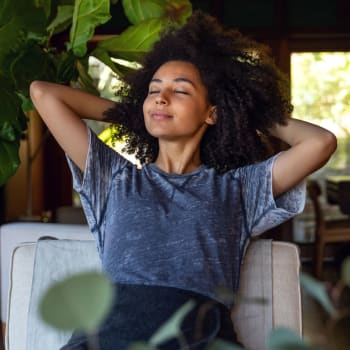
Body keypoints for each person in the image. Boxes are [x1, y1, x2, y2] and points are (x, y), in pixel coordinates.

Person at [30, 11, 336, 350]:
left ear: (212, 113)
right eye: (153, 90)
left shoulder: (238, 190)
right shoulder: (114, 178)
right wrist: (132, 113)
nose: (161, 97)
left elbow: (320, 143)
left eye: (181, 91)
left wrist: (246, 110)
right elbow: (43, 93)